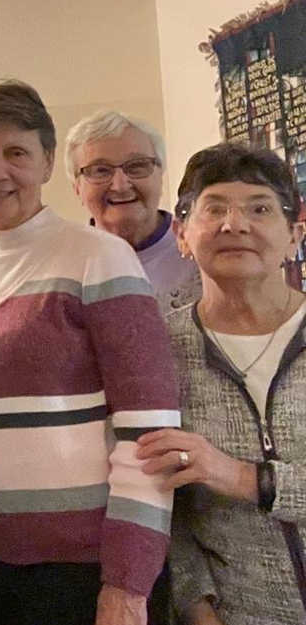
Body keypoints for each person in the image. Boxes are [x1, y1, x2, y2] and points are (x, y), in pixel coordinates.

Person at [0, 79, 180, 625]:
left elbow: (149, 431)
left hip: (89, 571)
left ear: (48, 163)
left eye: (15, 153)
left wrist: (127, 583)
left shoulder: (101, 257)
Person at [136, 143, 306, 625]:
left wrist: (243, 477)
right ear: (182, 235)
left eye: (259, 208)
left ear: (294, 235)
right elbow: (163, 501)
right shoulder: (157, 349)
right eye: (214, 209)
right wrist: (195, 605)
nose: (235, 224)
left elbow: (226, 477)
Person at [65, 110, 200, 314]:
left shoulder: (201, 249)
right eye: (100, 170)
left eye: (137, 166)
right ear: (77, 187)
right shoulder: (60, 268)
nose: (120, 185)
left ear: (160, 176)